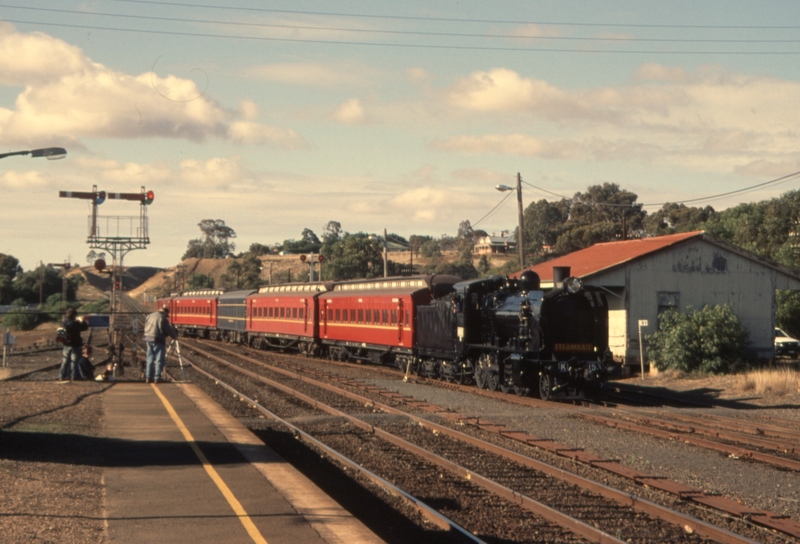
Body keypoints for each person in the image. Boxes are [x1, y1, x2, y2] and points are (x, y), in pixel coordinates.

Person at [143, 306, 178, 383]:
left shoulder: (149, 316)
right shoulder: (162, 318)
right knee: (159, 359)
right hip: (158, 339)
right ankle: (157, 377)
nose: (167, 316)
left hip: (148, 338)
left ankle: (148, 377)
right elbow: (168, 329)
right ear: (165, 312)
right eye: (167, 315)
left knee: (150, 359)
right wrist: (174, 336)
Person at [58, 308, 89, 381]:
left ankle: (61, 376)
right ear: (74, 315)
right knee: (74, 362)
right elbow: (84, 327)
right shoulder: (75, 323)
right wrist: (82, 321)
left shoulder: (63, 323)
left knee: (65, 361)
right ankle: (74, 376)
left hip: (66, 345)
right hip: (75, 345)